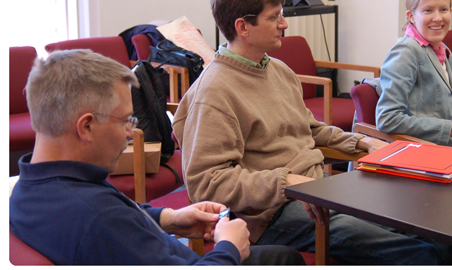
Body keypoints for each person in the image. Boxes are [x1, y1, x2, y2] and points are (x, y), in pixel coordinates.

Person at [172, 0, 452, 265]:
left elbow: (310, 130)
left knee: (440, 233)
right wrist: (288, 181)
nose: (284, 24)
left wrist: (362, 142)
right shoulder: (214, 92)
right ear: (243, 26)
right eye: (275, 17)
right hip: (271, 213)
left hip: (317, 189)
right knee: (422, 252)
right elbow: (206, 184)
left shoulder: (277, 69)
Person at [9, 49, 305, 266]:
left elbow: (117, 218)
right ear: (86, 126)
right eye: (126, 120)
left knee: (282, 257)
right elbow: (107, 221)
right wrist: (228, 245)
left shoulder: (31, 186)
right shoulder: (98, 216)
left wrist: (170, 218)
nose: (130, 132)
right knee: (284, 258)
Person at [376, 0, 452, 147]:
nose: (438, 18)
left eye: (444, 10)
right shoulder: (405, 52)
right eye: (428, 10)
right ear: (411, 16)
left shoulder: (441, 48)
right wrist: (451, 129)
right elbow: (387, 118)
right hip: (423, 152)